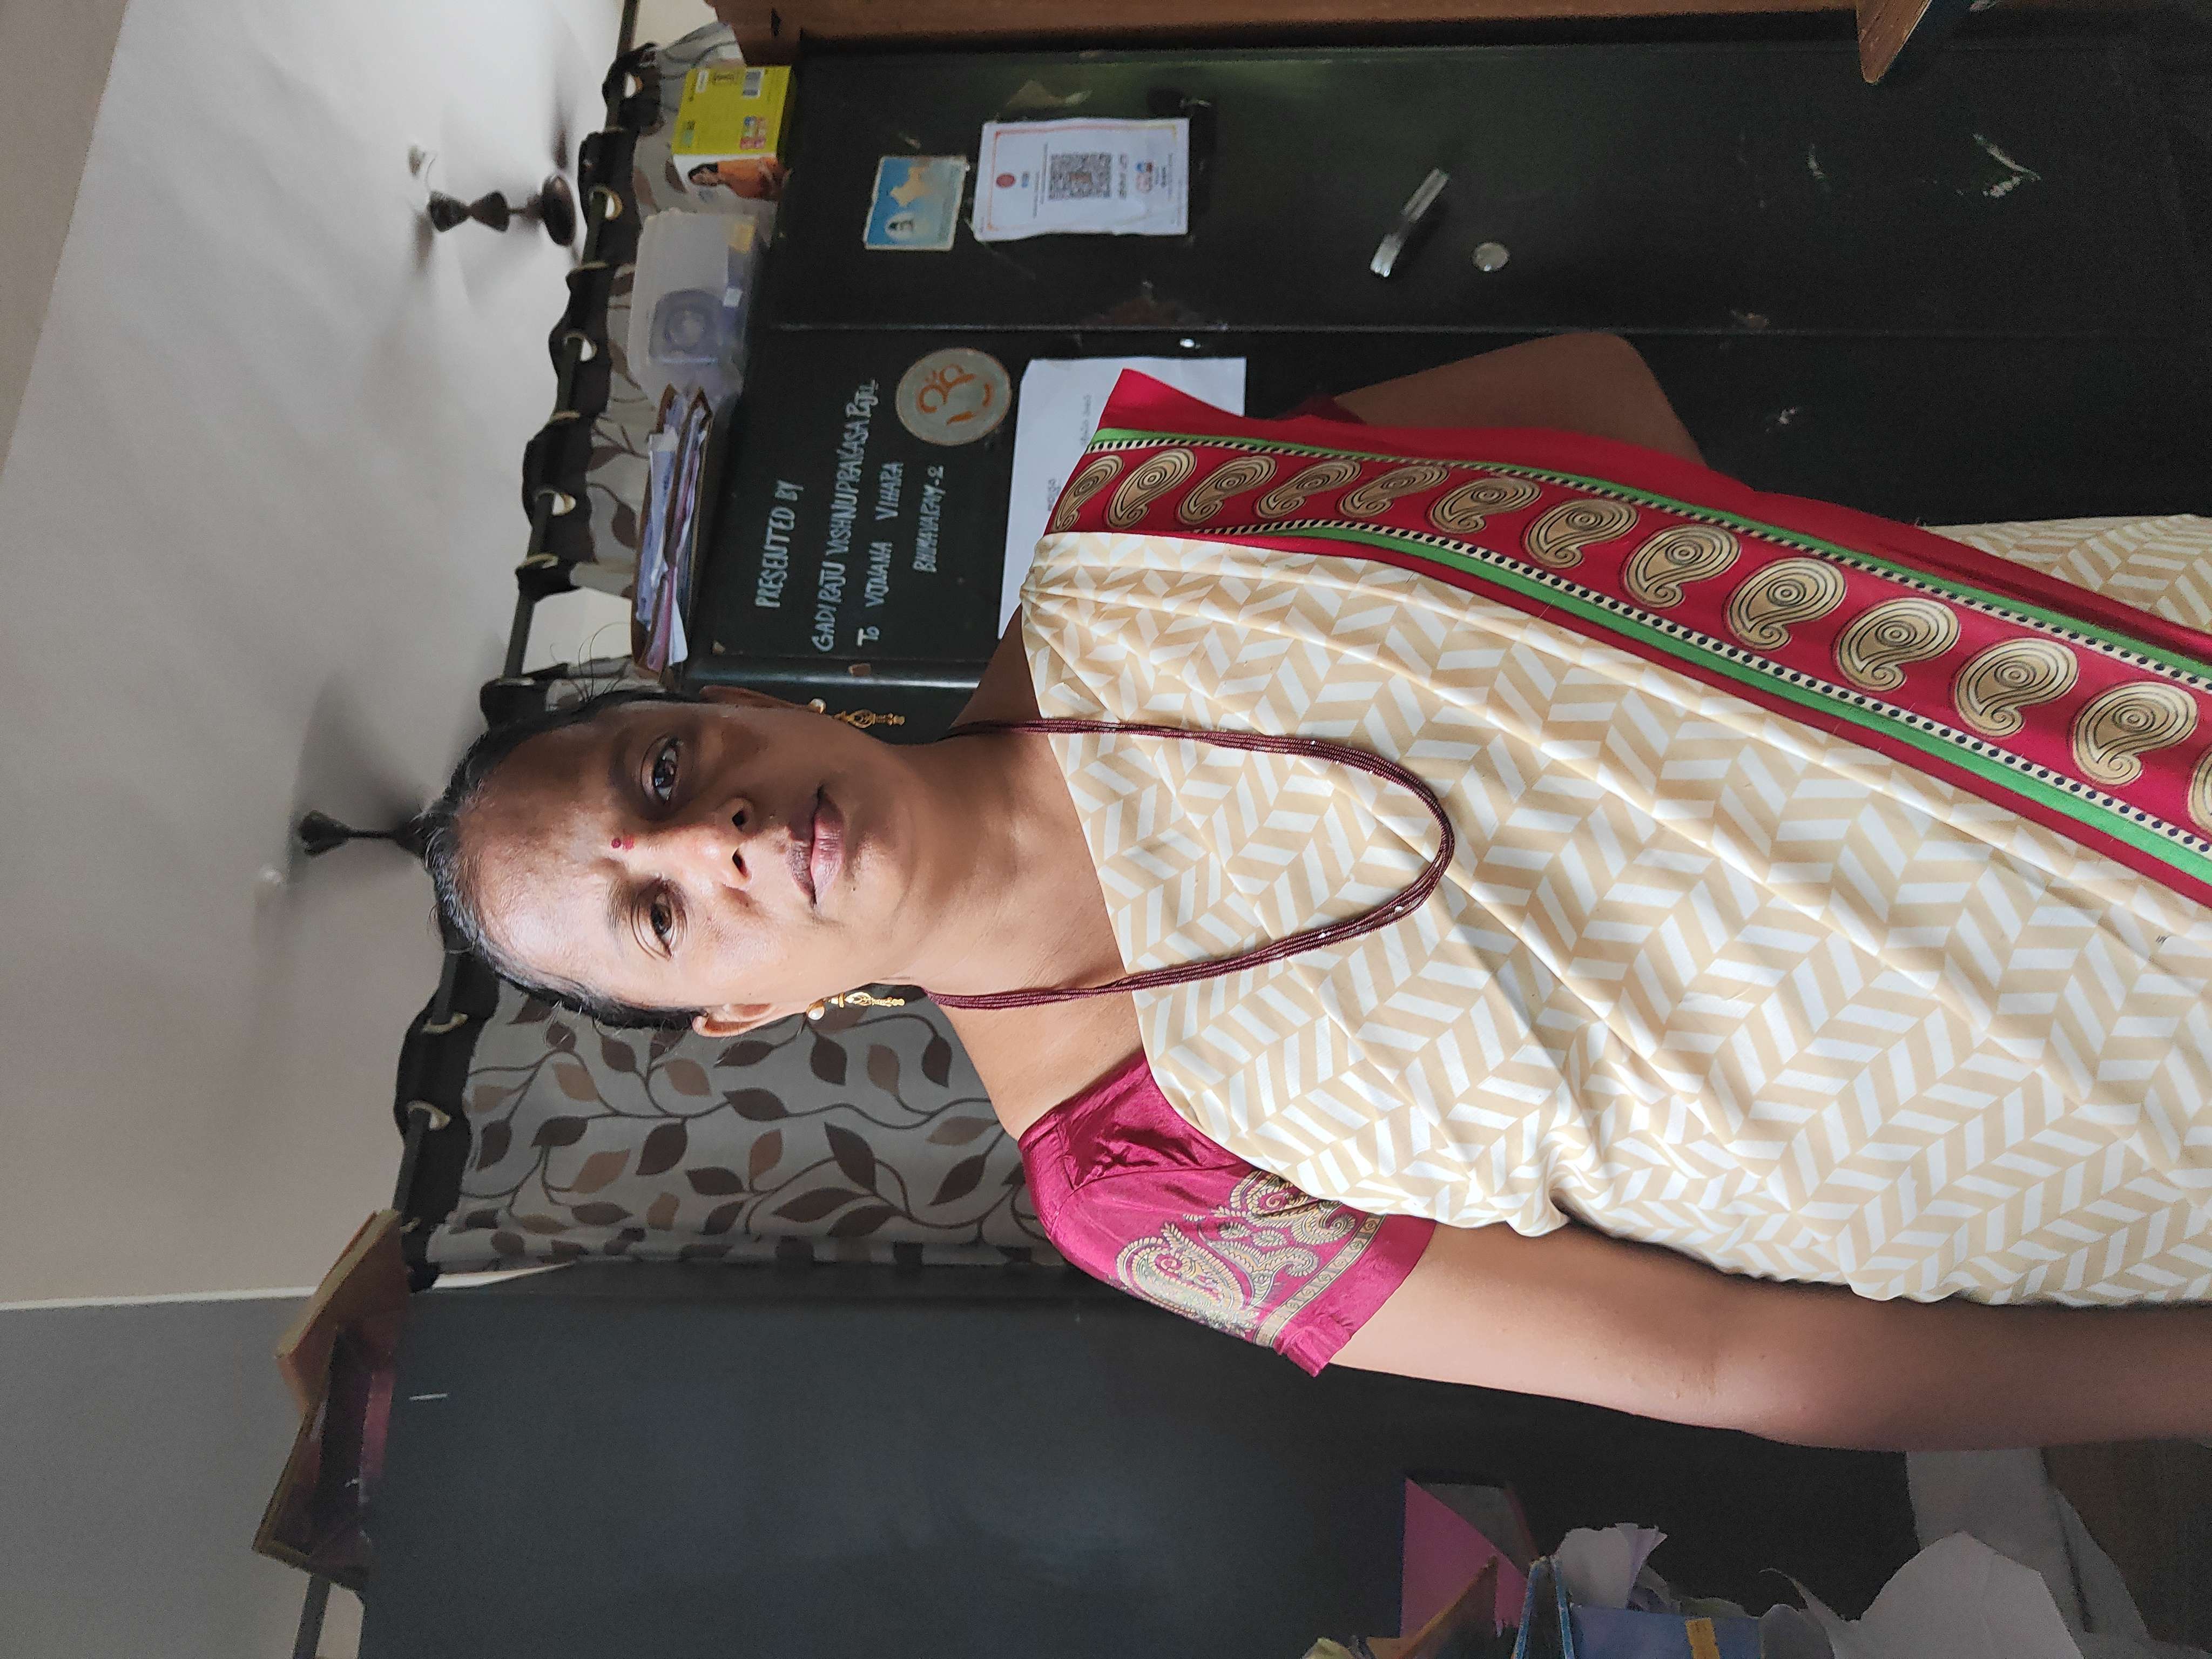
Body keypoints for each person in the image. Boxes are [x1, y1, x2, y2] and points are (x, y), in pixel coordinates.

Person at [429, 335, 2212, 1451]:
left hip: (2074, 696)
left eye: (659, 771)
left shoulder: (1158, 536)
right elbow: (1725, 1360)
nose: (716, 838)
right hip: (2098, 1133)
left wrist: (1745, 692)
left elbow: (1584, 398)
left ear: (738, 698)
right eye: (659, 915)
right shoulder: (1134, 1183)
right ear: (740, 1013)